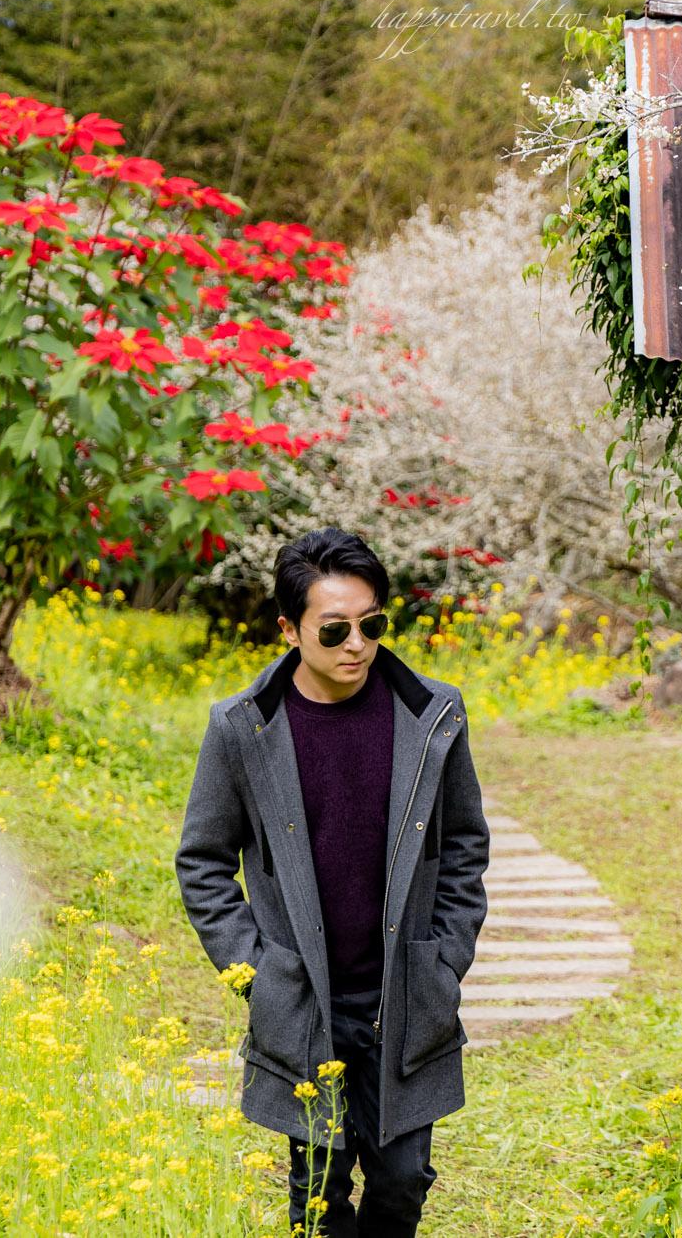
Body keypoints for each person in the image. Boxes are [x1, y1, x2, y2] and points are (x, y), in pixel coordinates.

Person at [176, 526, 490, 1236]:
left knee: (404, 1180)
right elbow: (202, 860)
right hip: (303, 995)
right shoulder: (242, 728)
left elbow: (466, 842)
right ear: (289, 629)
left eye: (372, 624)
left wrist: (444, 956)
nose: (358, 644)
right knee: (317, 1191)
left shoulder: (431, 714)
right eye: (335, 629)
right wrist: (258, 973)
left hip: (406, 991)